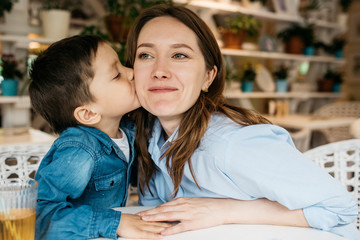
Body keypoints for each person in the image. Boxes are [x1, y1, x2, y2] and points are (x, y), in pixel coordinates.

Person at [125, 5, 360, 240]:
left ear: (208, 76)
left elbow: (340, 208)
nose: (160, 71)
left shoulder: (232, 144)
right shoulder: (149, 139)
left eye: (179, 55)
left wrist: (224, 210)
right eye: (145, 55)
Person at [29, 35, 170, 240]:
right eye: (117, 75)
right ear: (88, 114)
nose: (131, 73)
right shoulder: (80, 150)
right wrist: (115, 222)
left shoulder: (125, 132)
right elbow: (39, 216)